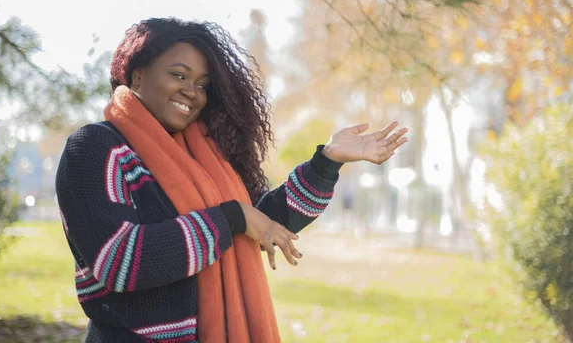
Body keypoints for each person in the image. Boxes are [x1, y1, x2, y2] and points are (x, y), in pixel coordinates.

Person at [55, 17, 408, 343]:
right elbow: (121, 261)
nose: (192, 91)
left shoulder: (207, 156)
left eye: (203, 84)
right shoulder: (97, 148)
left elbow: (264, 222)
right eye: (178, 75)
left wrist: (327, 162)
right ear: (136, 76)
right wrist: (232, 218)